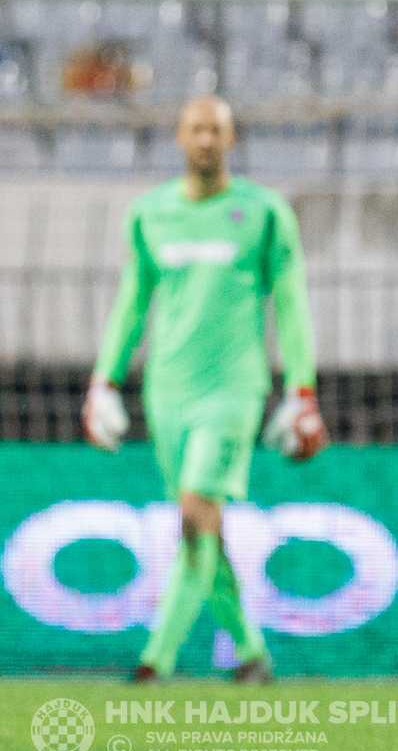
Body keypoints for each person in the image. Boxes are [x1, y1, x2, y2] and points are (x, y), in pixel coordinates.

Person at [82, 95, 325, 683]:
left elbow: (290, 304)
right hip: (166, 392)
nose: (207, 139)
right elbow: (132, 301)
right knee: (202, 521)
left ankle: (153, 660)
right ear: (180, 135)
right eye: (197, 128)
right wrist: (103, 381)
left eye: (217, 130)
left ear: (231, 139)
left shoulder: (264, 213)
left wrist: (302, 390)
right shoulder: (150, 213)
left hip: (234, 390)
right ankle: (251, 654)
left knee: (194, 511)